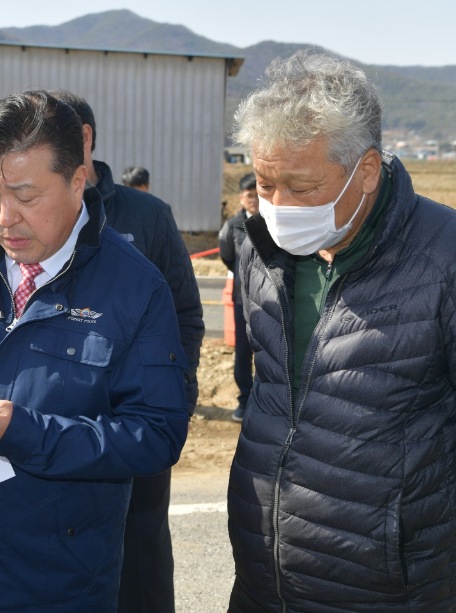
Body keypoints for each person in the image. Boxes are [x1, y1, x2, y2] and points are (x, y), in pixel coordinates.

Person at [0, 90, 190, 612]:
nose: (3, 218)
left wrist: (25, 434)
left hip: (59, 586)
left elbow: (155, 435)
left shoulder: (135, 288)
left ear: (76, 181)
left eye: (25, 196)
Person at [228, 50, 456, 610]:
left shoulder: (443, 257)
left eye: (302, 188)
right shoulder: (262, 250)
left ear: (368, 170)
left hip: (391, 590)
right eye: (264, 183)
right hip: (264, 579)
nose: (278, 206)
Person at [52, 89, 203, 613]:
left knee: (140, 553)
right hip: (53, 425)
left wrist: (173, 397)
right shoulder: (31, 220)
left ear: (84, 140)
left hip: (134, 425)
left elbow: (186, 314)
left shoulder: (148, 215)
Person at [218, 172, 257, 422]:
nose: (254, 200)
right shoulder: (232, 226)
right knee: (242, 352)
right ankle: (244, 399)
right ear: (241, 197)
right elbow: (227, 257)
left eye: (257, 195)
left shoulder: (273, 222)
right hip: (243, 298)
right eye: (249, 195)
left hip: (273, 301)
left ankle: (266, 400)